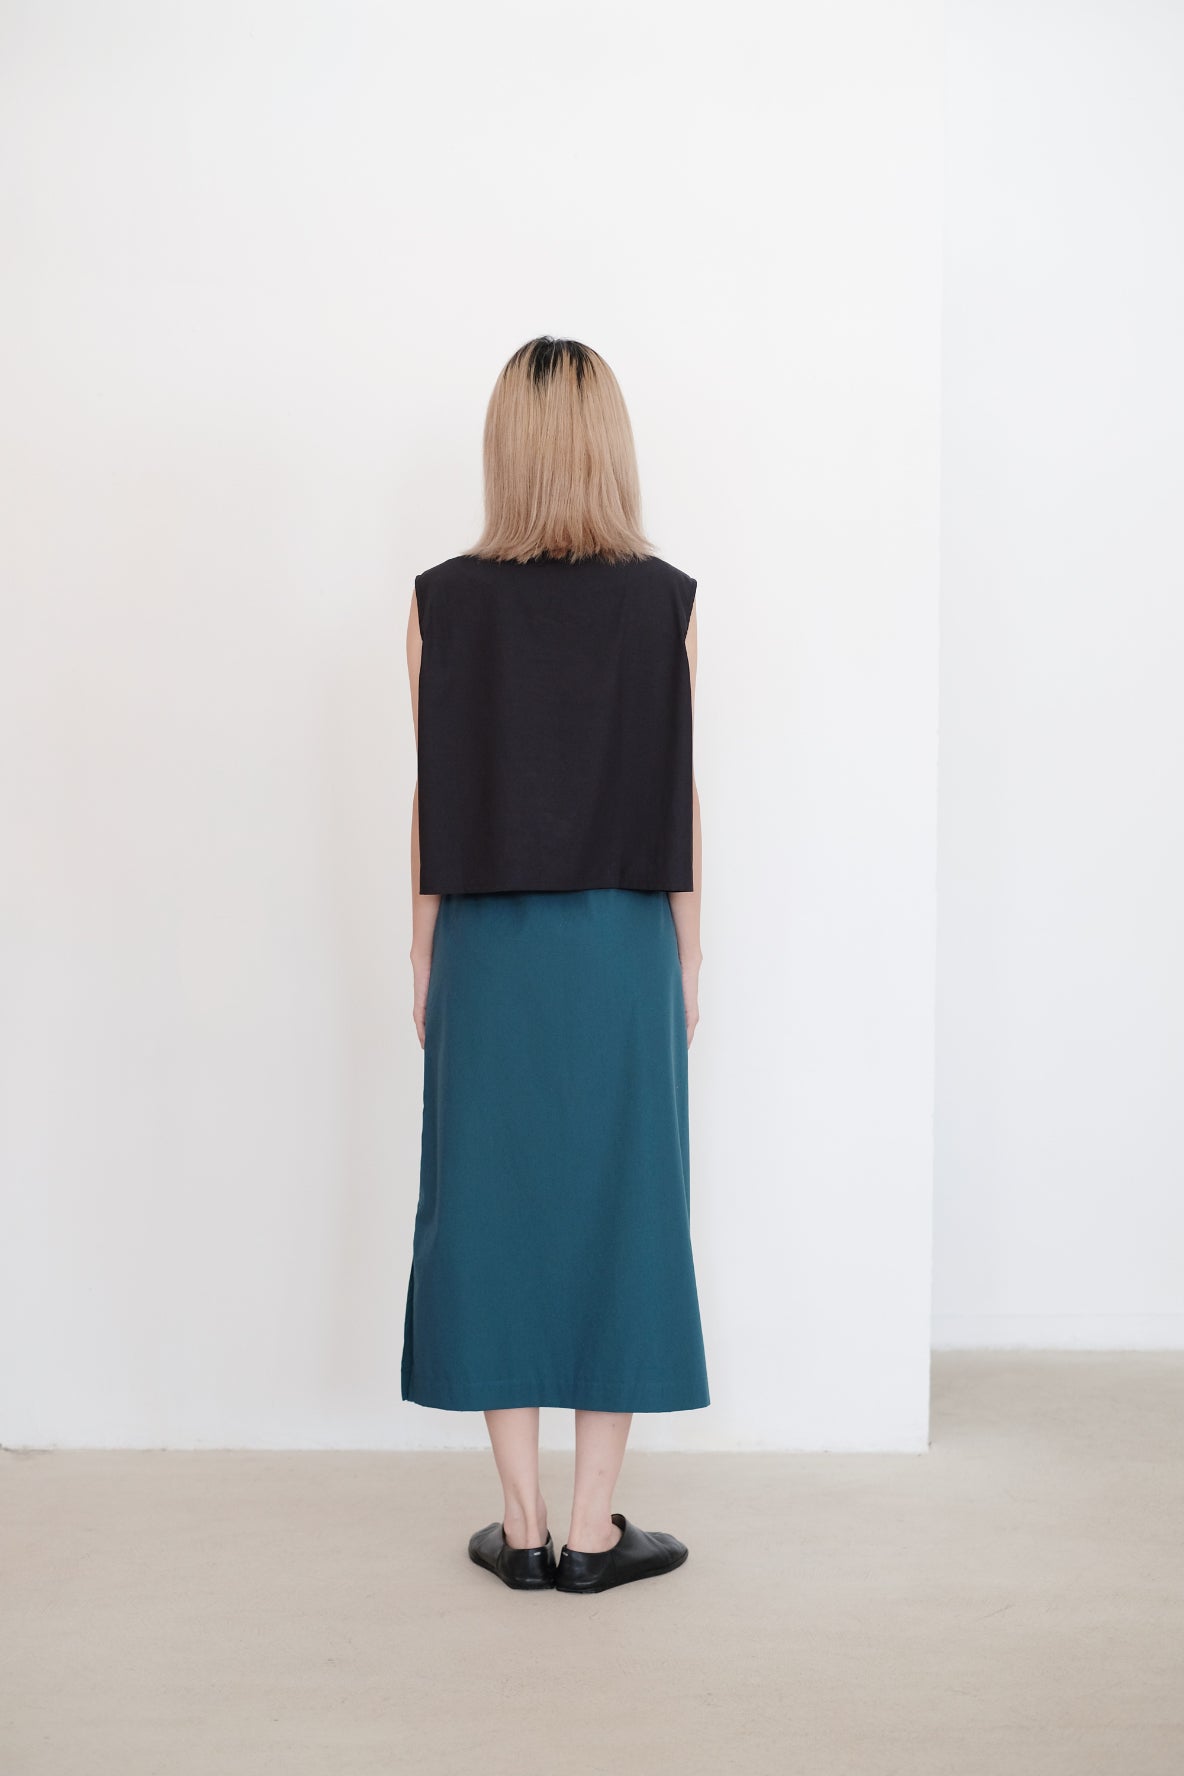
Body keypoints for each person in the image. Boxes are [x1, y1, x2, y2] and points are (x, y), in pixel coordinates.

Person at [399, 335, 709, 1595]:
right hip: (620, 940)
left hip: (487, 941)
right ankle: (592, 1530)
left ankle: (518, 1524)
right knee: (622, 1209)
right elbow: (679, 792)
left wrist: (422, 951)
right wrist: (689, 952)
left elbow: (431, 792)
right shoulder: (666, 601)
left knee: (488, 1208)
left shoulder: (439, 601)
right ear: (607, 448)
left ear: (504, 449)